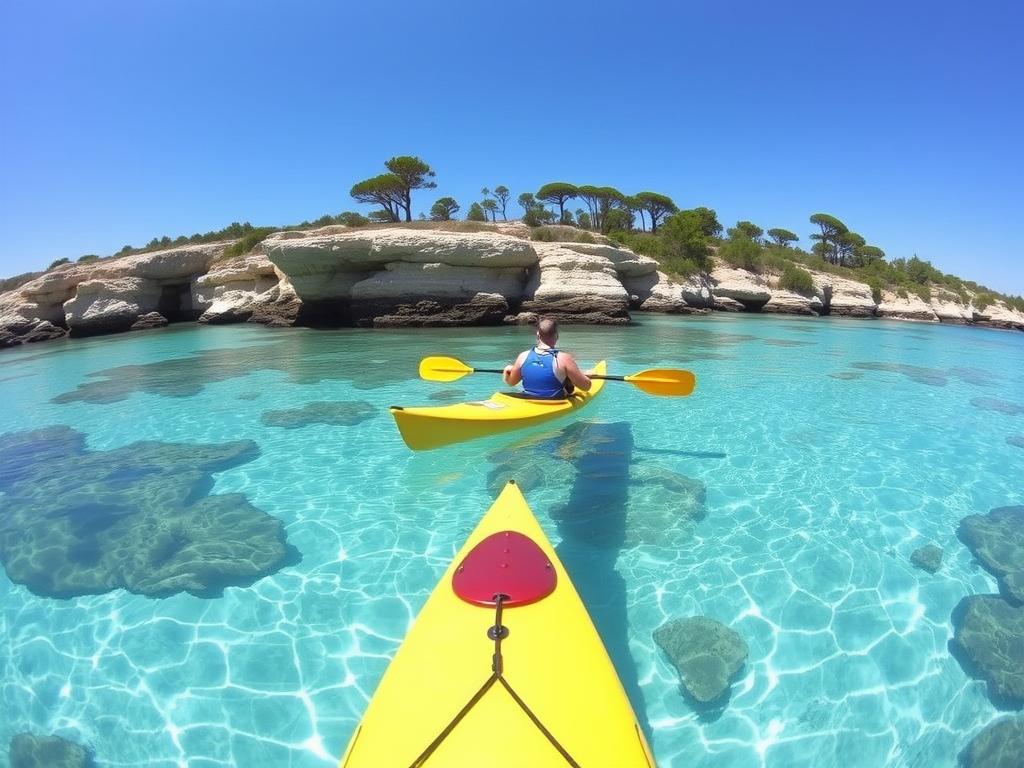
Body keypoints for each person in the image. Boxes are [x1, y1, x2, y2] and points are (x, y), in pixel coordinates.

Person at [503, 316, 592, 399]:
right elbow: (586, 387)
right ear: (557, 336)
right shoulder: (564, 358)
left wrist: (507, 371)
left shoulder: (523, 356)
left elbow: (511, 382)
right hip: (554, 402)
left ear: (538, 335)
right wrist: (584, 377)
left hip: (528, 399)